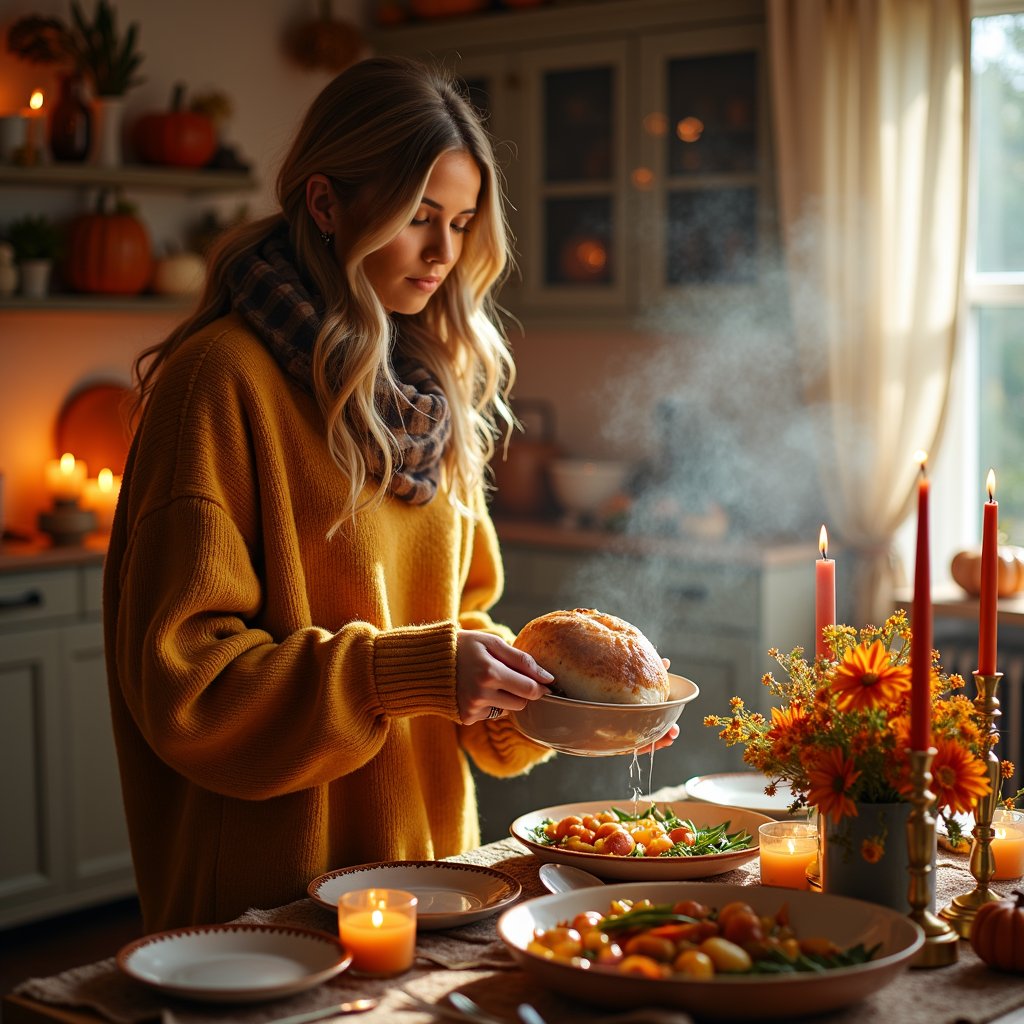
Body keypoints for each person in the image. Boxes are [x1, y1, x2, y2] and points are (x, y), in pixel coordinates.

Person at [104, 55, 676, 933]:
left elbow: (465, 652)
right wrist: (398, 673)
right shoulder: (218, 383)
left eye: (462, 222)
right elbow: (190, 691)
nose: (445, 253)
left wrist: (560, 709)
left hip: (437, 883)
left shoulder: (432, 397)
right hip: (272, 905)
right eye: (419, 218)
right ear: (326, 204)